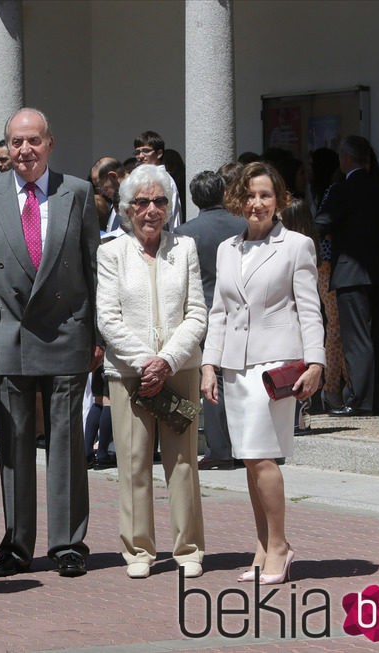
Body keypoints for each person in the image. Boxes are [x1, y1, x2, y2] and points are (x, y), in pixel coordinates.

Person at [0, 107, 100, 578]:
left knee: (66, 444)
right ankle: (18, 544)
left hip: (65, 331)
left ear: (49, 143)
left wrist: (95, 333)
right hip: (8, 336)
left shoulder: (77, 193)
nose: (25, 150)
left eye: (33, 141)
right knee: (14, 444)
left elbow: (92, 266)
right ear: (7, 147)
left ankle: (67, 543)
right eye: (17, 142)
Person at [201, 161, 325, 585]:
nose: (258, 203)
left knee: (261, 456)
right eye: (251, 195)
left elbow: (310, 308)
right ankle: (262, 544)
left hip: (275, 366)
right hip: (235, 366)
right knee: (250, 461)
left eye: (266, 195)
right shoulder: (226, 249)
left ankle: (281, 546)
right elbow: (219, 312)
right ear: (238, 200)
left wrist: (317, 362)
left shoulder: (296, 246)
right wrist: (208, 364)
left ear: (280, 200)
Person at [96, 164, 207, 579]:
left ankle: (189, 547)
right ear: (127, 208)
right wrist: (147, 362)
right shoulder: (111, 252)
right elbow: (107, 319)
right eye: (141, 202)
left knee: (183, 463)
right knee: (134, 462)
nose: (150, 210)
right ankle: (138, 550)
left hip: (180, 369)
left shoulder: (186, 248)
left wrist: (168, 361)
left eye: (159, 201)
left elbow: (197, 313)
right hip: (129, 374)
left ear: (170, 206)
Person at [315, 136, 379, 416]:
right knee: (375, 336)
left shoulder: (342, 189)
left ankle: (359, 400)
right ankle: (376, 398)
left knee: (356, 339)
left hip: (350, 271)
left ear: (345, 159)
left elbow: (322, 223)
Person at [175, 171, 245, 470]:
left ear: (193, 198)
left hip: (203, 310)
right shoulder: (243, 225)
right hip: (241, 308)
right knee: (241, 376)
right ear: (224, 193)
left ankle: (220, 448)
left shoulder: (185, 232)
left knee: (212, 378)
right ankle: (246, 445)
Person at [132, 131, 183, 230]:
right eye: (137, 152)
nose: (141, 156)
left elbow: (173, 215)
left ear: (159, 153)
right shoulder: (137, 177)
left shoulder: (166, 180)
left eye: (146, 151)